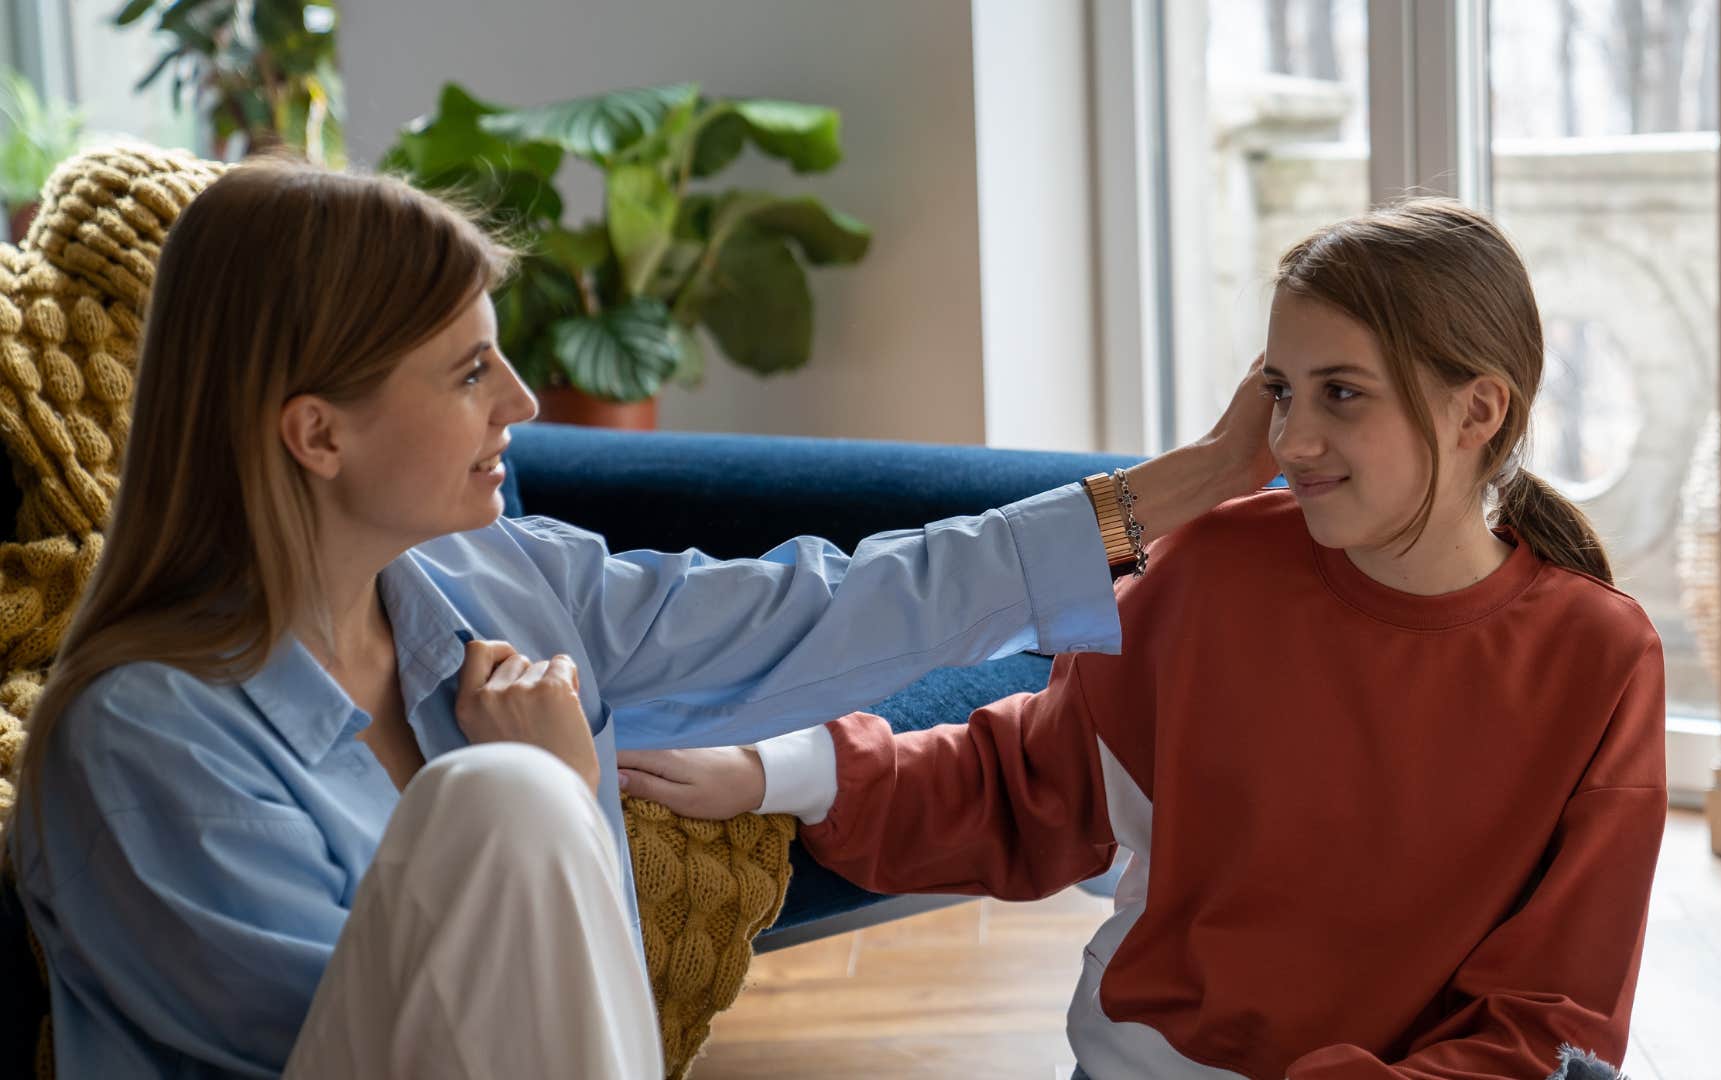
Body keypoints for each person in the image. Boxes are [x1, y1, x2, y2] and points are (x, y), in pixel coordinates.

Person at [3, 159, 1278, 1080]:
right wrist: (549, 782)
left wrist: (1196, 481)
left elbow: (824, 610)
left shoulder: (499, 583)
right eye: (466, 370)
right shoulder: (142, 740)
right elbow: (388, 1050)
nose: (517, 399)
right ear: (316, 432)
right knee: (493, 807)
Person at [623, 198, 1667, 1080]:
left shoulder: (1600, 660)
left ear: (1479, 408)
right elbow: (1028, 788)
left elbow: (1554, 1013)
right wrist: (778, 769)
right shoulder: (1212, 569)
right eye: (1280, 393)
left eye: (1341, 395)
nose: (1293, 442)